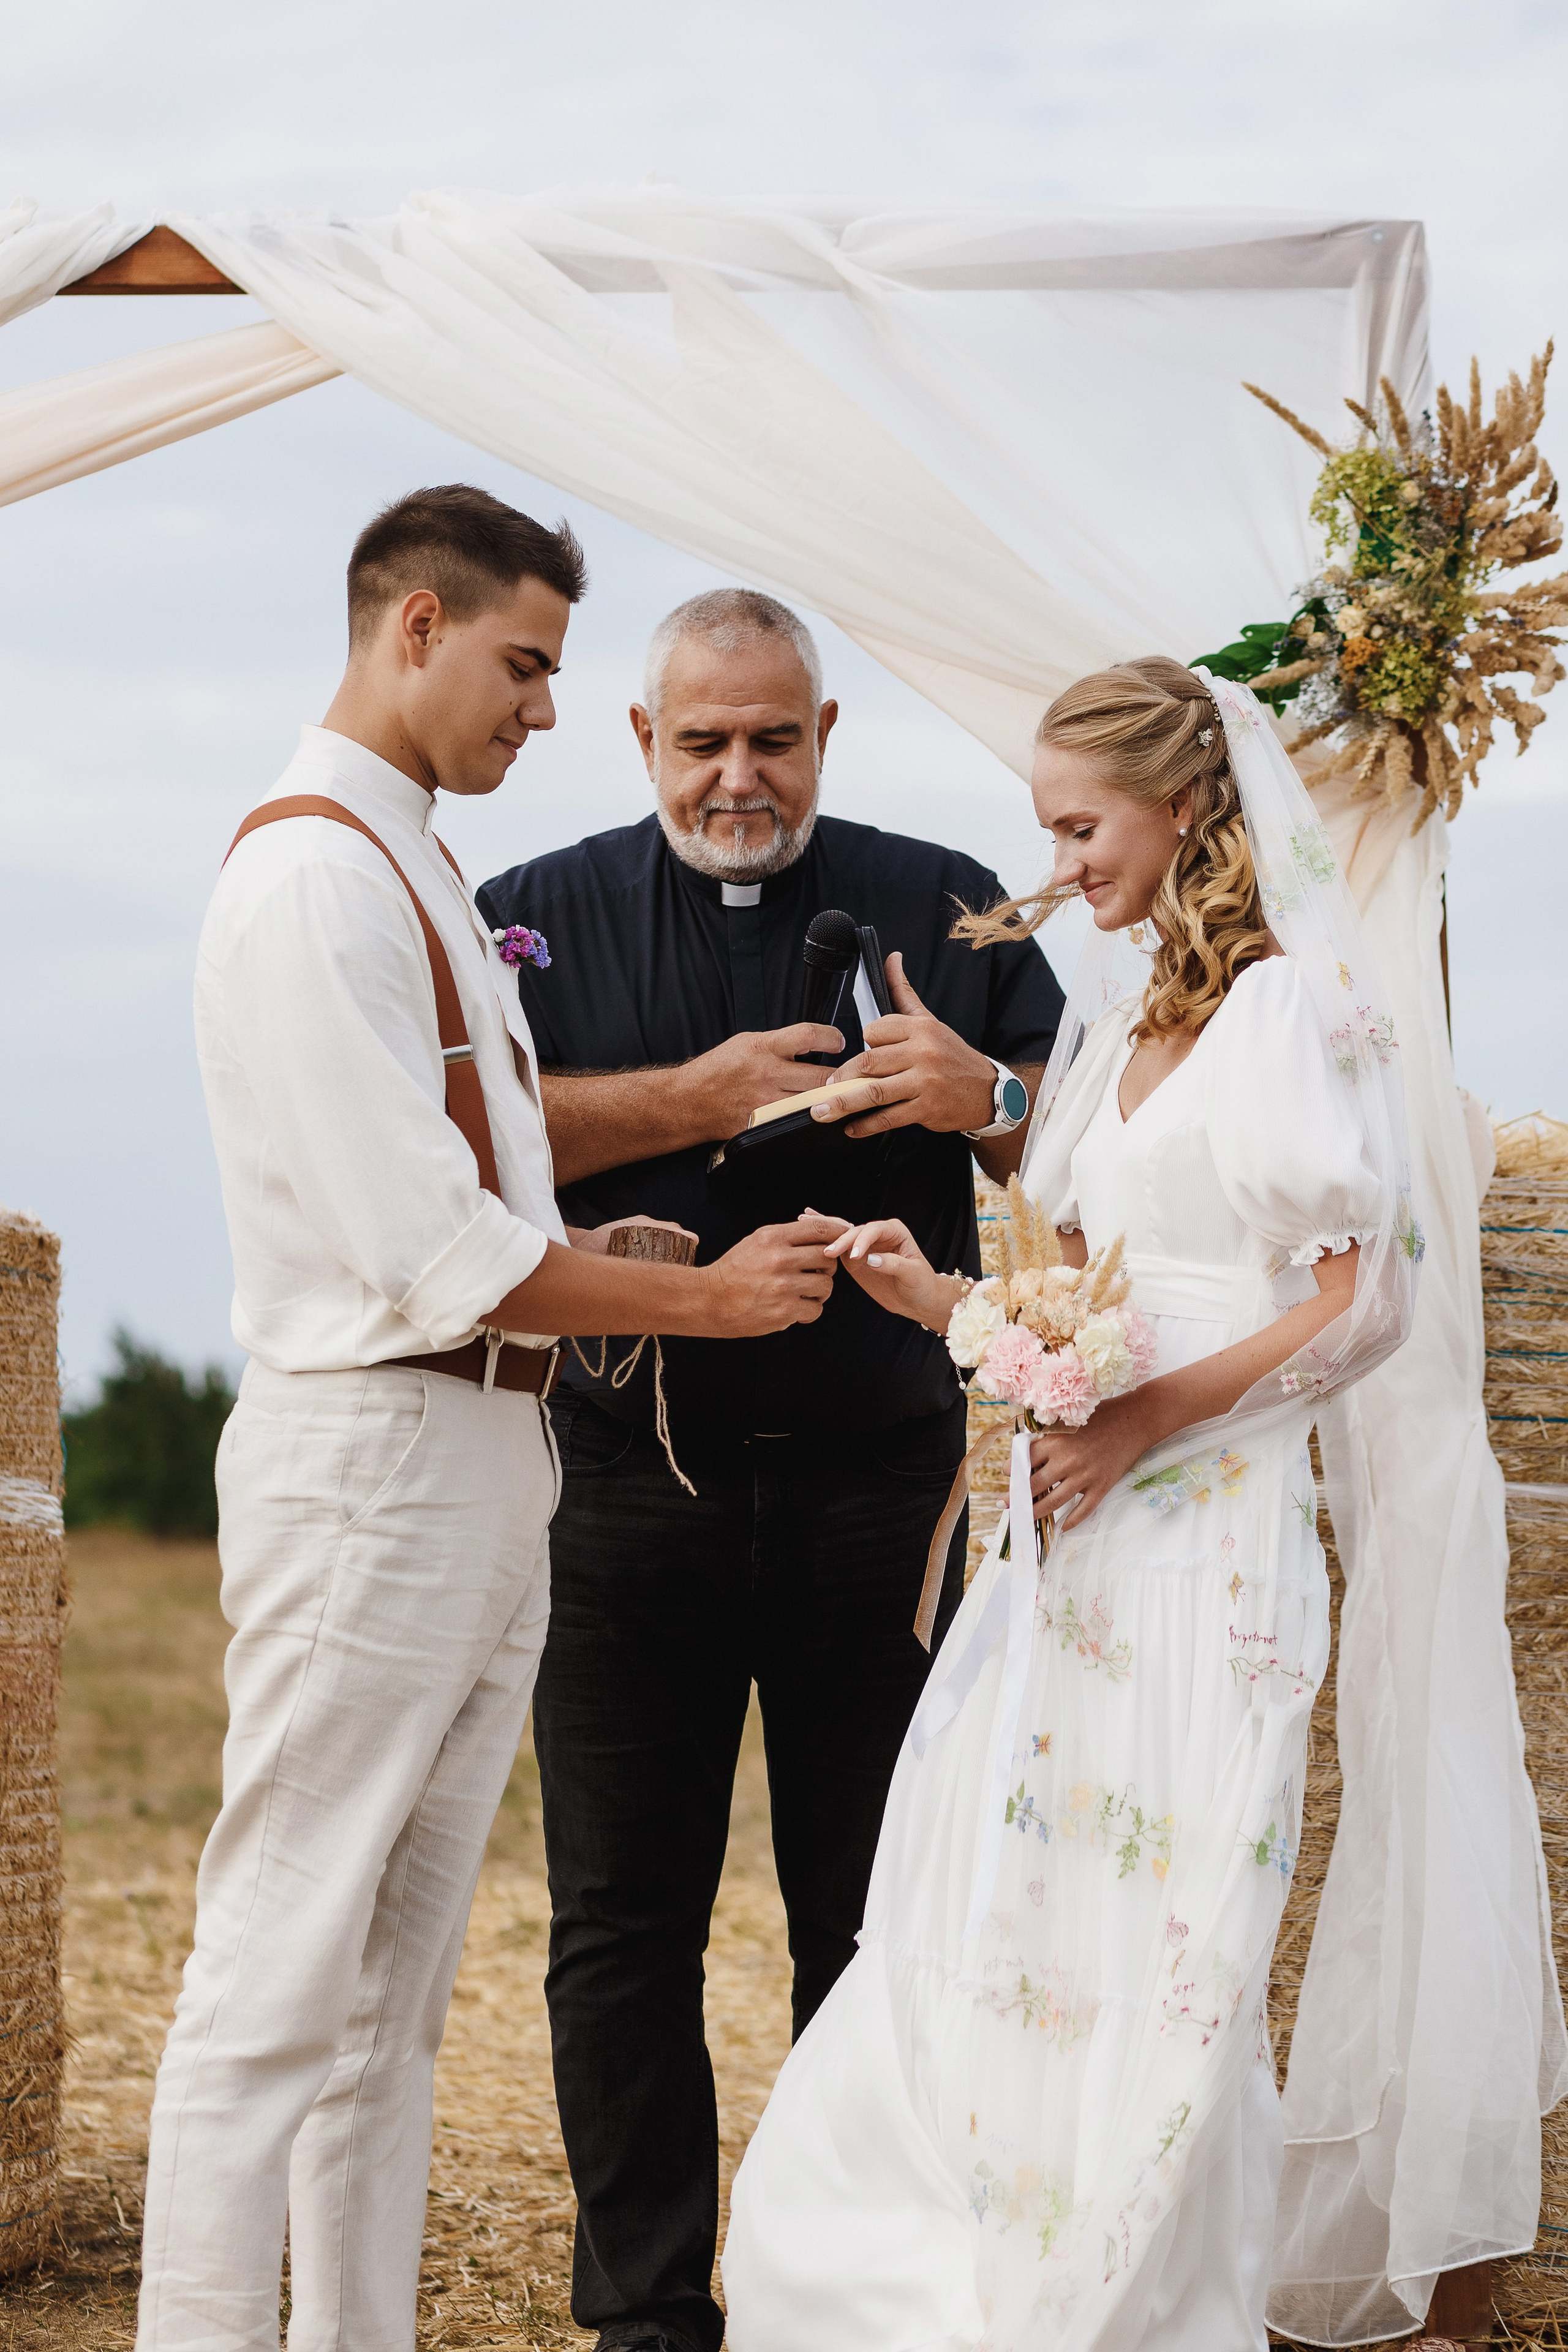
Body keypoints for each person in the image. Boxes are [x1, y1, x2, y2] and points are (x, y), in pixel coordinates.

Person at [137, 490, 843, 2352]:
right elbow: (427, 1249)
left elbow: (488, 1170)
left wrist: (599, 1211)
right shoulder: (310, 880)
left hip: (477, 1462)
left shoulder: (412, 859)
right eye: (528, 665)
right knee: (273, 1984)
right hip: (370, 1463)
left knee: (388, 2003)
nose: (546, 707)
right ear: (419, 626)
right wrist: (704, 1297)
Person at [722, 658, 1417, 2351]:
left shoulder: (1281, 1012)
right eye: (1046, 828)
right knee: (1006, 1909)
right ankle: (960, 2283)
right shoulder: (1115, 1026)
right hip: (1071, 1557)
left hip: (1214, 1550)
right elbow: (1089, 1282)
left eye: (1080, 826)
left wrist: (1144, 1424)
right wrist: (935, 1306)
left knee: (1165, 1945)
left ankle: (1134, 2304)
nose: (1057, 864)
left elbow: (1362, 1300)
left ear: (1186, 805)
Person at [478, 587, 1065, 2352]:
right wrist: (693, 1099)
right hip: (618, 1486)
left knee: (875, 1914)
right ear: (639, 738)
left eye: (774, 736)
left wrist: (992, 1100)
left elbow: (1111, 1128)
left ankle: (852, 2292)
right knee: (622, 1923)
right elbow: (480, 1126)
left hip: (879, 1495)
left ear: (828, 734)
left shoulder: (956, 897)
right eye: (703, 738)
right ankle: (649, 2314)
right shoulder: (529, 915)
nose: (740, 773)